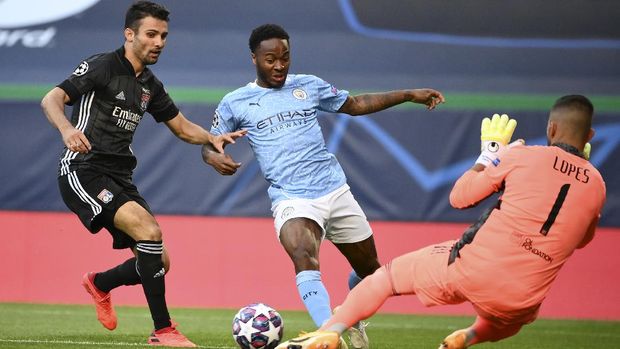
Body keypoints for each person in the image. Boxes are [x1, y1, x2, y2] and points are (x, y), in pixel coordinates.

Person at [274, 95, 606, 349]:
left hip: (470, 267)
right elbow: (581, 239)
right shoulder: (597, 185)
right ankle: (470, 336)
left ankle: (330, 333)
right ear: (589, 134)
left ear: (550, 128)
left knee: (384, 278)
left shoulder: (522, 155)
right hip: (522, 298)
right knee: (519, 317)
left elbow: (460, 197)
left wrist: (489, 156)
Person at [201, 23, 445, 349]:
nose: (279, 66)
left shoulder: (308, 86)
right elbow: (209, 143)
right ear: (254, 58)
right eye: (270, 59)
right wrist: (213, 157)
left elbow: (355, 105)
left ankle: (351, 312)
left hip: (334, 190)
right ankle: (328, 335)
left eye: (285, 58)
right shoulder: (236, 101)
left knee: (371, 274)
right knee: (304, 255)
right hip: (291, 198)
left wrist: (408, 94)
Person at [40, 1, 245, 347]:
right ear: (129, 34)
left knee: (160, 261)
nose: (159, 42)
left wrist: (211, 137)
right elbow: (52, 99)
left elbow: (180, 127)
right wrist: (66, 130)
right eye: (151, 34)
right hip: (83, 169)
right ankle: (163, 330)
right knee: (150, 230)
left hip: (120, 176)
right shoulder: (103, 65)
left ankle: (100, 283)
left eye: (164, 36)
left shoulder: (150, 84)